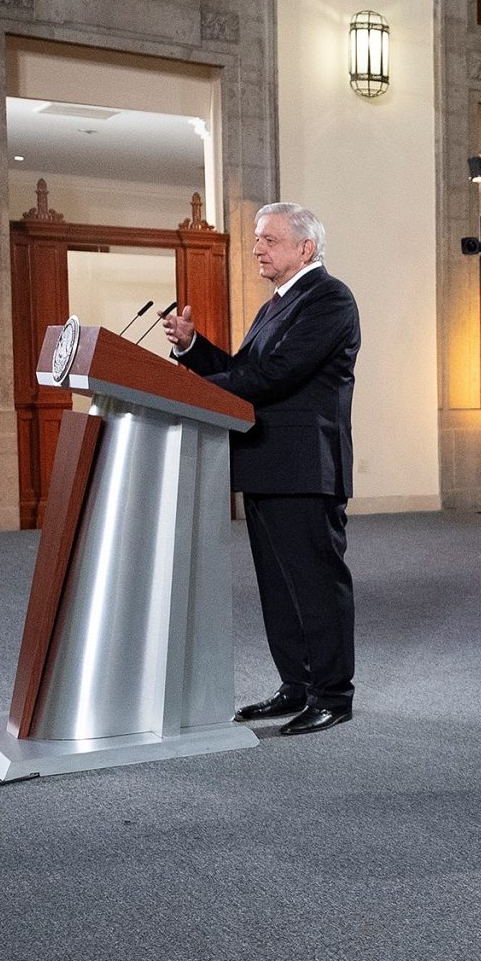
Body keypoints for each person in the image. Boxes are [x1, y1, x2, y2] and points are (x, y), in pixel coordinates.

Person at [162, 203, 362, 737]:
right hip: (267, 464)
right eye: (256, 239)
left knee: (315, 584)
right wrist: (192, 350)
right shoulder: (278, 304)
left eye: (268, 239)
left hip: (305, 468)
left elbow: (275, 376)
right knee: (278, 587)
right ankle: (295, 685)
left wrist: (186, 388)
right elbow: (244, 371)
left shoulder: (329, 298)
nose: (256, 248)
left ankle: (332, 695)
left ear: (305, 248)